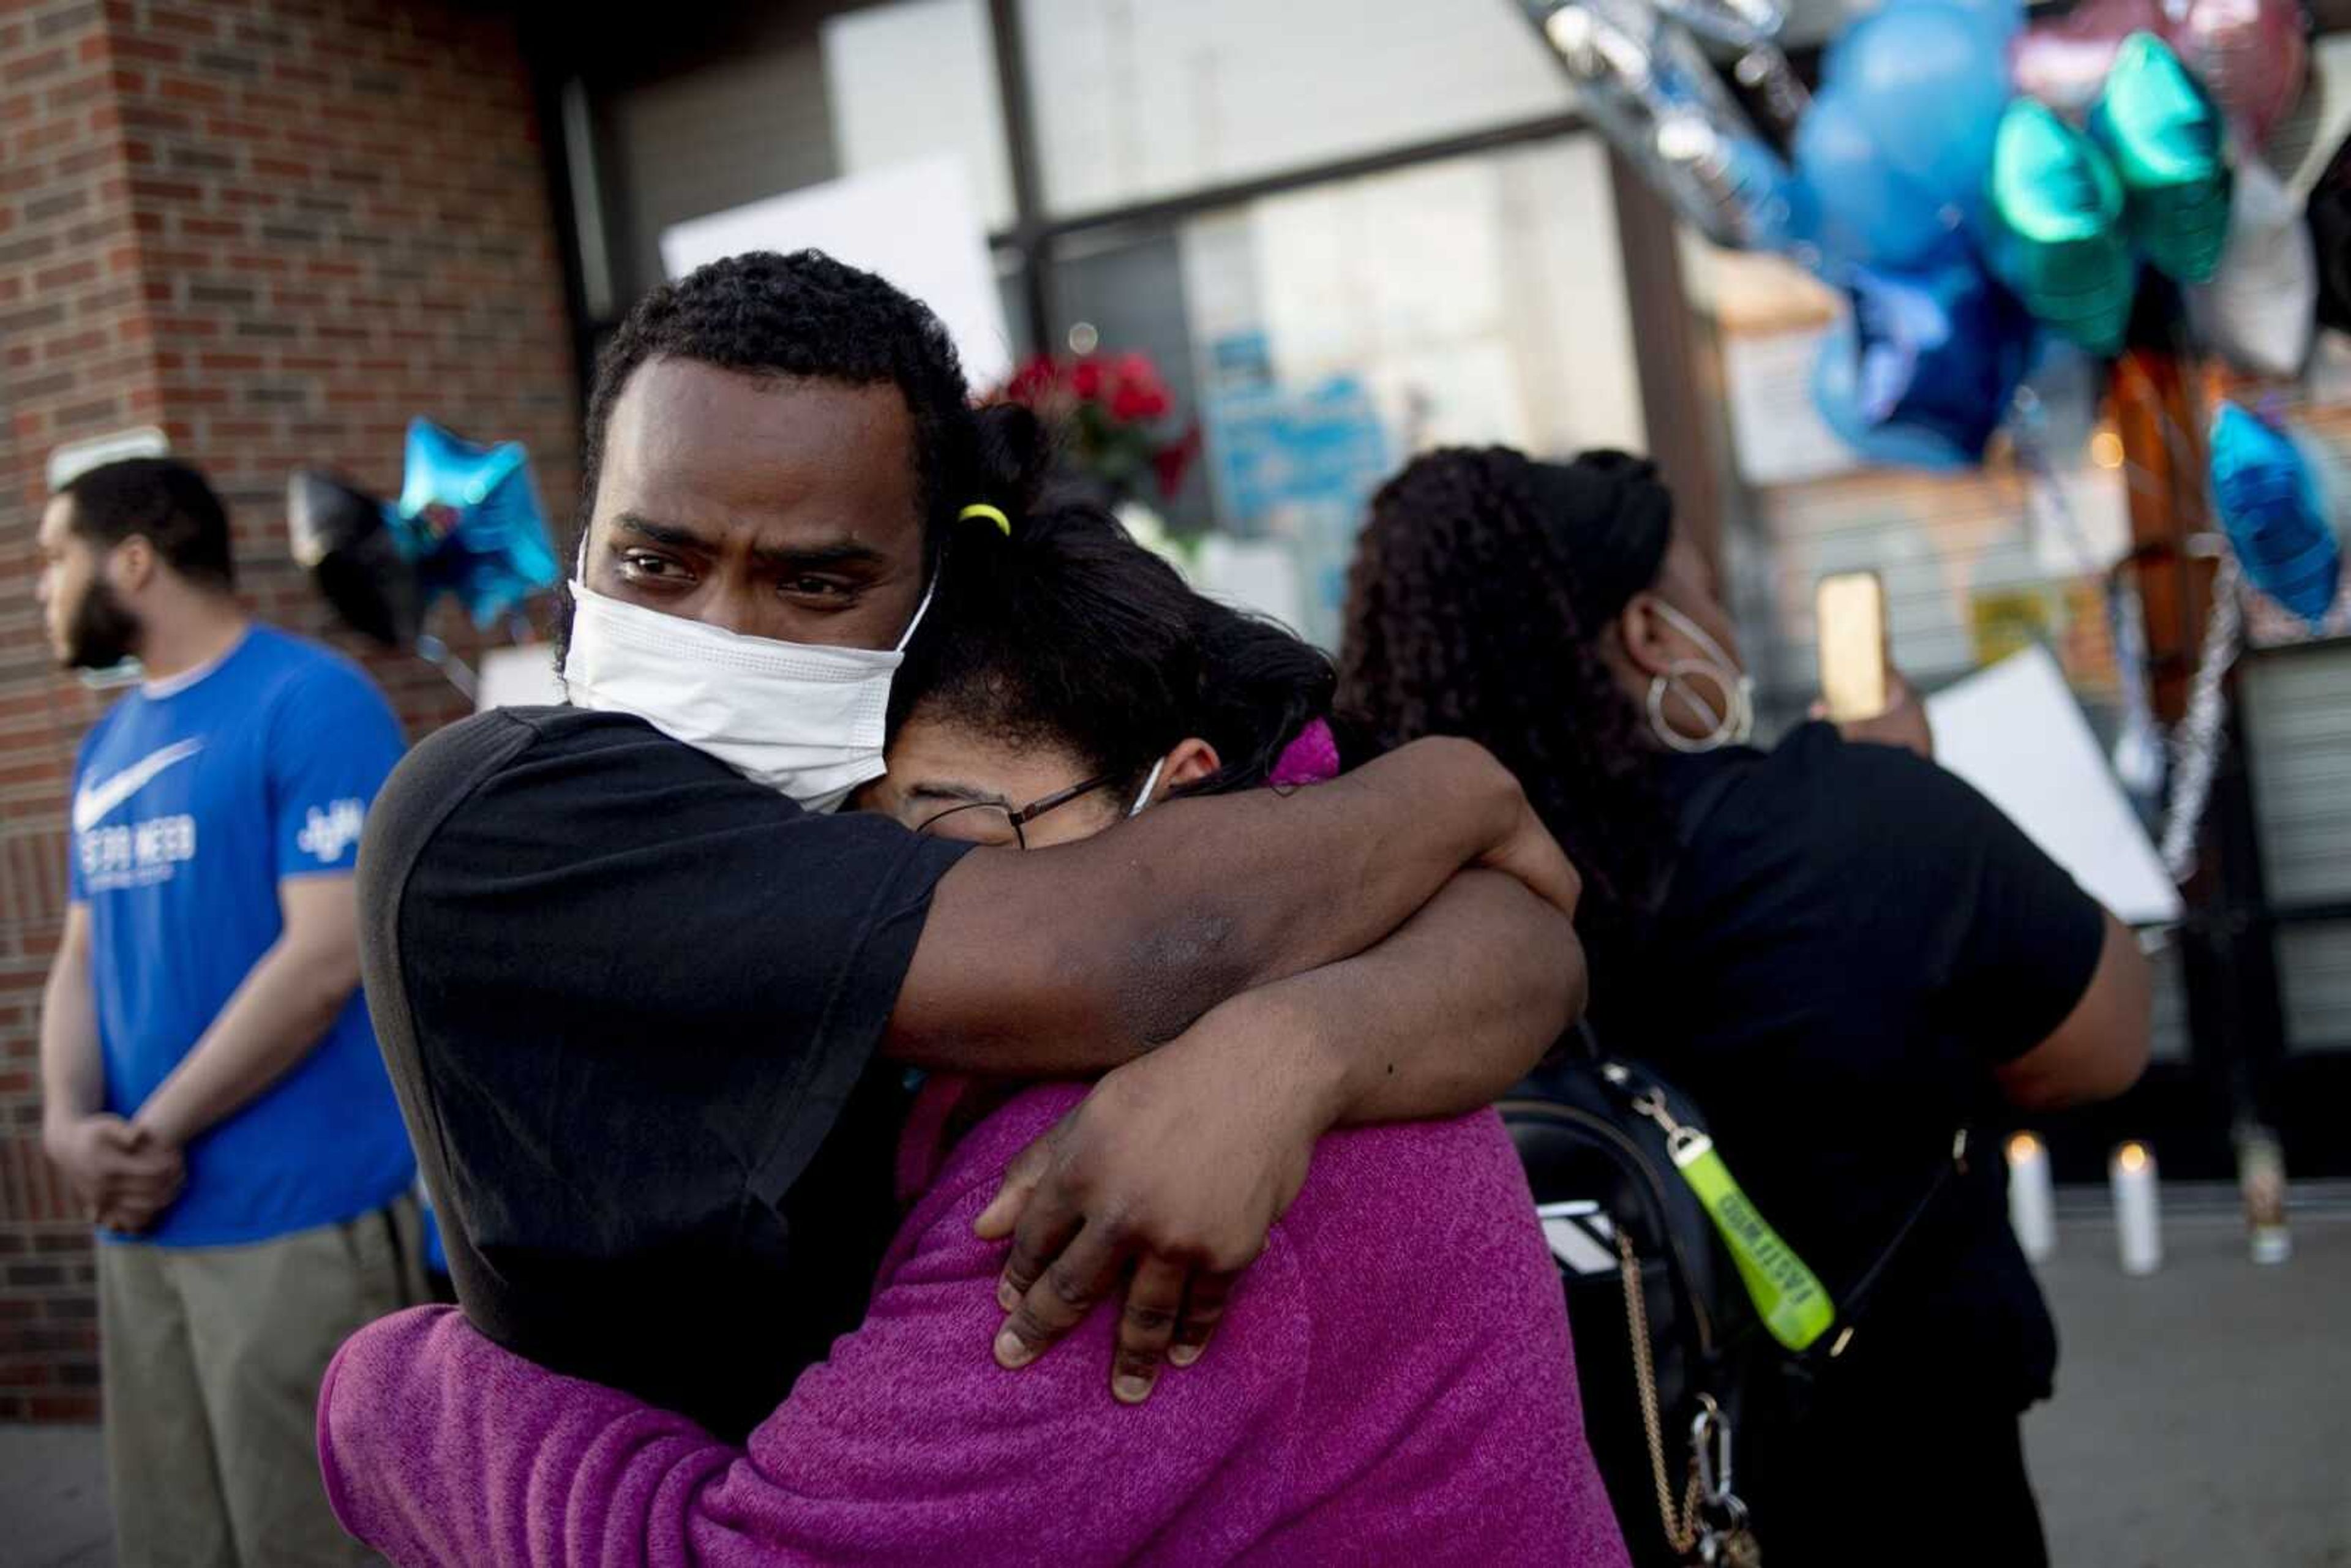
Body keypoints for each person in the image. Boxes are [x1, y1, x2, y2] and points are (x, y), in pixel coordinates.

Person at [353, 250, 1584, 1442]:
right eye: (655, 562)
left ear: (934, 591)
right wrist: (1456, 787)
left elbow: (1525, 943)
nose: (721, 635)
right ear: (584, 549)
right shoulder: (501, 812)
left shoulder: (897, 757)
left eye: (816, 586)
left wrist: (1296, 1053)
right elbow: (1143, 944)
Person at [318, 508, 1629, 1567]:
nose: (886, 915)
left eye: (946, 839)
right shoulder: (1322, 931)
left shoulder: (1127, 1177)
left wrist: (397, 1396)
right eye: (833, 857)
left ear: (1180, 797)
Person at [1337, 448, 2154, 1568]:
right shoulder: (1852, 822)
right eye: (1705, 589)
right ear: (1651, 637)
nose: (1720, 613)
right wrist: (1907, 814)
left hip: (1586, 1507)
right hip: (1905, 1474)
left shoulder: (1396, 909)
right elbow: (2105, 1043)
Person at [32, 458, 425, 1567]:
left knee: (311, 1541)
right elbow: (80, 953)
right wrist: (68, 1125)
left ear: (135, 560)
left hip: (290, 1222)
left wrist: (153, 1132)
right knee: (174, 1541)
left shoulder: (312, 700)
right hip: (141, 1224)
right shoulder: (108, 744)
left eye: (55, 558)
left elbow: (323, 956)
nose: (40, 588)